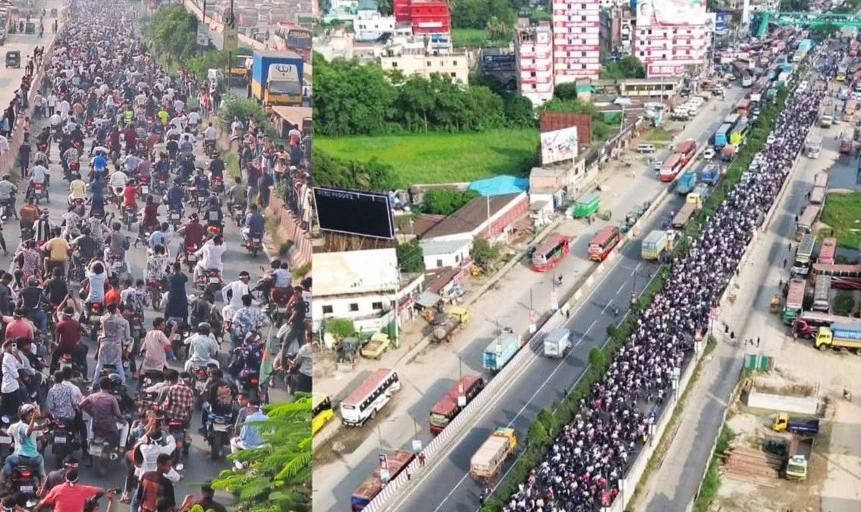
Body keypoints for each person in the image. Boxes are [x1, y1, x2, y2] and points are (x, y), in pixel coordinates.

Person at [78, 377, 128, 454]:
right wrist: (122, 420)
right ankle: (121, 447)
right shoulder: (112, 398)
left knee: (93, 419)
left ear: (99, 385)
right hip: (110, 427)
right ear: (109, 386)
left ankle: (90, 439)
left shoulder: (92, 396)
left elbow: (80, 406)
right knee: (126, 425)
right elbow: (117, 414)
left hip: (96, 426)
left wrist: (91, 413)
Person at [2, 404, 46, 489]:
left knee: (8, 459)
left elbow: (8, 432)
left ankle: (8, 481)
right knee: (41, 459)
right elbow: (34, 433)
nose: (31, 417)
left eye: (32, 415)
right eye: (30, 415)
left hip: (19, 458)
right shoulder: (31, 425)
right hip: (33, 459)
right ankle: (43, 481)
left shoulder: (15, 426)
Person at [35, 468, 104, 512]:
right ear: (77, 479)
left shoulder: (57, 489)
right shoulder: (83, 489)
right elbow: (101, 491)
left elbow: (42, 502)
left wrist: (36, 509)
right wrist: (93, 499)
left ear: (66, 478)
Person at [94, 303, 130, 382]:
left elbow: (101, 321)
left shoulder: (103, 319)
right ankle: (123, 382)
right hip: (116, 346)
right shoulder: (121, 321)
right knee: (119, 365)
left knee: (99, 365)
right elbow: (127, 337)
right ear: (115, 310)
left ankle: (94, 383)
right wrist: (119, 314)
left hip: (104, 345)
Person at [53, 307, 89, 373]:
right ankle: (84, 374)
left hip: (62, 347)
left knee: (54, 357)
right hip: (73, 348)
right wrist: (86, 334)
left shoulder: (61, 323)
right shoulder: (76, 323)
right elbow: (85, 332)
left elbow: (57, 334)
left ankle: (52, 372)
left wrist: (57, 343)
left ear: (64, 315)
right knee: (83, 352)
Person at [0, 340, 24, 419]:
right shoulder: (7, 358)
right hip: (9, 387)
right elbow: (14, 372)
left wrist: (17, 355)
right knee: (9, 409)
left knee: (10, 409)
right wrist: (20, 381)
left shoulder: (11, 357)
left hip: (12, 386)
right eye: (11, 346)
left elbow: (20, 365)